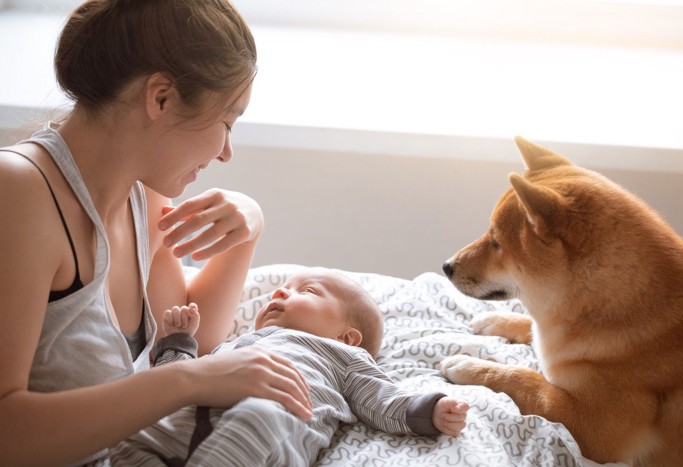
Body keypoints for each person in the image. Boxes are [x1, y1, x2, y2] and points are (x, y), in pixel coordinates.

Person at [0, 1, 314, 465]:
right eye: (227, 122)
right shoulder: (19, 192)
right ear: (161, 97)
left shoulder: (141, 198)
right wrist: (188, 381)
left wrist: (250, 226)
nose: (227, 152)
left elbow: (193, 337)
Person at [111, 267, 469, 466]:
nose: (279, 293)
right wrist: (178, 345)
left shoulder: (340, 357)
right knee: (129, 434)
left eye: (308, 291)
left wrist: (429, 410)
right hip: (184, 428)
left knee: (260, 415)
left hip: (269, 432)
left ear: (348, 337)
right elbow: (175, 381)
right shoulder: (230, 346)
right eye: (280, 289)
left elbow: (381, 399)